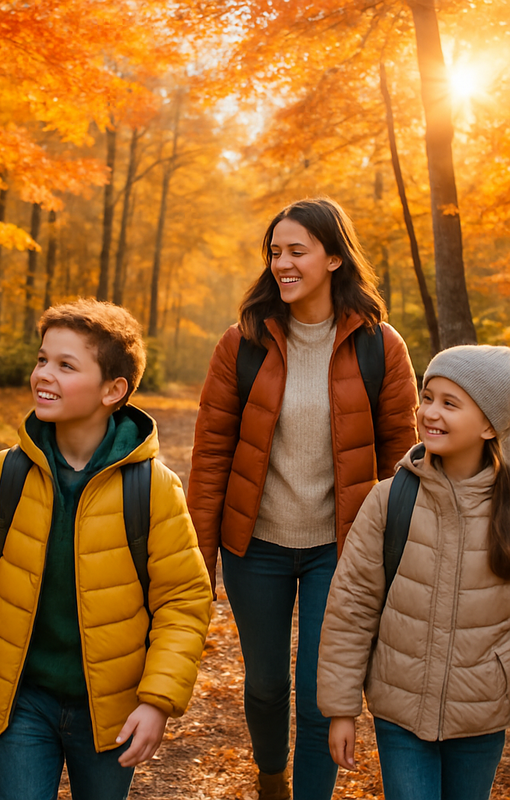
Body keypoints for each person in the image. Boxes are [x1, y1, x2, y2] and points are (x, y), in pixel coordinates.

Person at [0, 298, 213, 800]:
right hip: (23, 700)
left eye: (66, 365)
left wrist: (157, 700)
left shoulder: (153, 489)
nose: (44, 375)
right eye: (43, 359)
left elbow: (183, 602)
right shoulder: (4, 476)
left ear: (113, 390)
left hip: (111, 708)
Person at [187, 197, 418, 800]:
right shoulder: (241, 343)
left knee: (324, 694)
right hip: (254, 546)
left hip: (338, 553)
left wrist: (397, 555)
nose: (282, 264)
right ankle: (271, 776)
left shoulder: (380, 346)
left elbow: (404, 456)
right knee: (264, 686)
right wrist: (198, 559)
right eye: (275, 252)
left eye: (297, 251)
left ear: (335, 257)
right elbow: (210, 453)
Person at [318, 345, 510, 800]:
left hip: (481, 715)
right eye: (427, 398)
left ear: (489, 425)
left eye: (450, 402)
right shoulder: (391, 499)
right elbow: (352, 607)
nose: (430, 413)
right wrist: (341, 710)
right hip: (398, 710)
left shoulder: (507, 508)